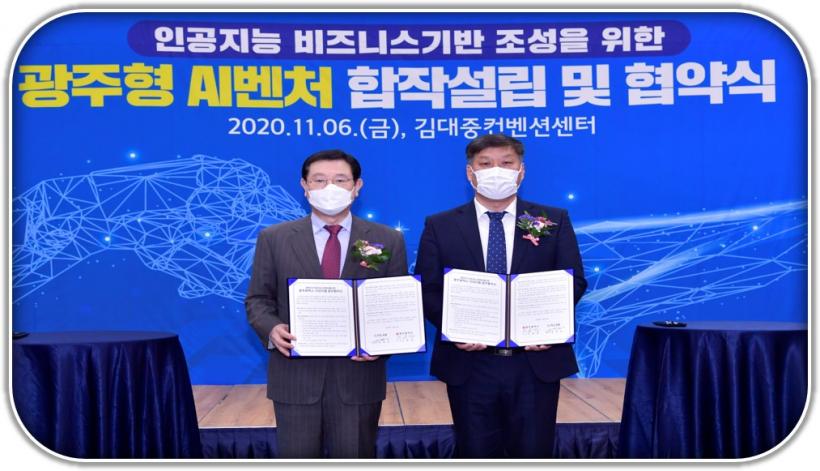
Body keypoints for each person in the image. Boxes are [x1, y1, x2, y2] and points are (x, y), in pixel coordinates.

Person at [414, 133, 587, 458]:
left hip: (534, 361)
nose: (497, 171)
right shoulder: (440, 225)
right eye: (486, 164)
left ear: (521, 171)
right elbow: (427, 286)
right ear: (470, 173)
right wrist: (455, 328)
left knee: (533, 453)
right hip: (469, 363)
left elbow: (573, 280)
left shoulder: (552, 220)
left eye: (506, 163)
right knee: (475, 453)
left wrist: (548, 325)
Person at [245, 149, 407, 458]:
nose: (329, 188)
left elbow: (395, 303)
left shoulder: (385, 239)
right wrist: (273, 329)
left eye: (340, 180)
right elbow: (258, 299)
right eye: (319, 180)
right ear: (304, 186)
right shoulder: (274, 238)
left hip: (359, 379)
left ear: (357, 186)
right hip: (296, 378)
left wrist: (383, 343)